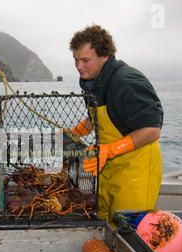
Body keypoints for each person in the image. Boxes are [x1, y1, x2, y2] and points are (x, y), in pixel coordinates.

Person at [69, 25, 163, 226]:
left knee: (127, 231)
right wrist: (71, 133)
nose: (78, 66)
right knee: (103, 224)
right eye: (76, 60)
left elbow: (152, 129)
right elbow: (95, 119)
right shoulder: (90, 81)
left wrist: (110, 150)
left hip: (135, 170)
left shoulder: (126, 80)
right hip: (107, 168)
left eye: (85, 60)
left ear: (104, 56)